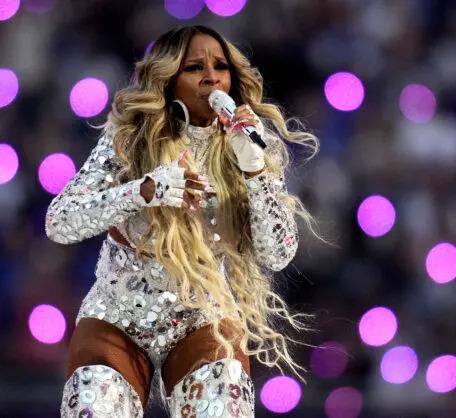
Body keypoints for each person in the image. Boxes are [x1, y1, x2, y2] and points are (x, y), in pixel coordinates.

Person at [45, 24, 318, 417]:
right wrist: (143, 191)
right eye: (194, 67)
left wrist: (256, 171)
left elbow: (278, 254)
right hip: (117, 318)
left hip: (201, 317)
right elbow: (60, 221)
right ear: (169, 80)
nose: (211, 76)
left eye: (220, 66)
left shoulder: (251, 143)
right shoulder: (129, 137)